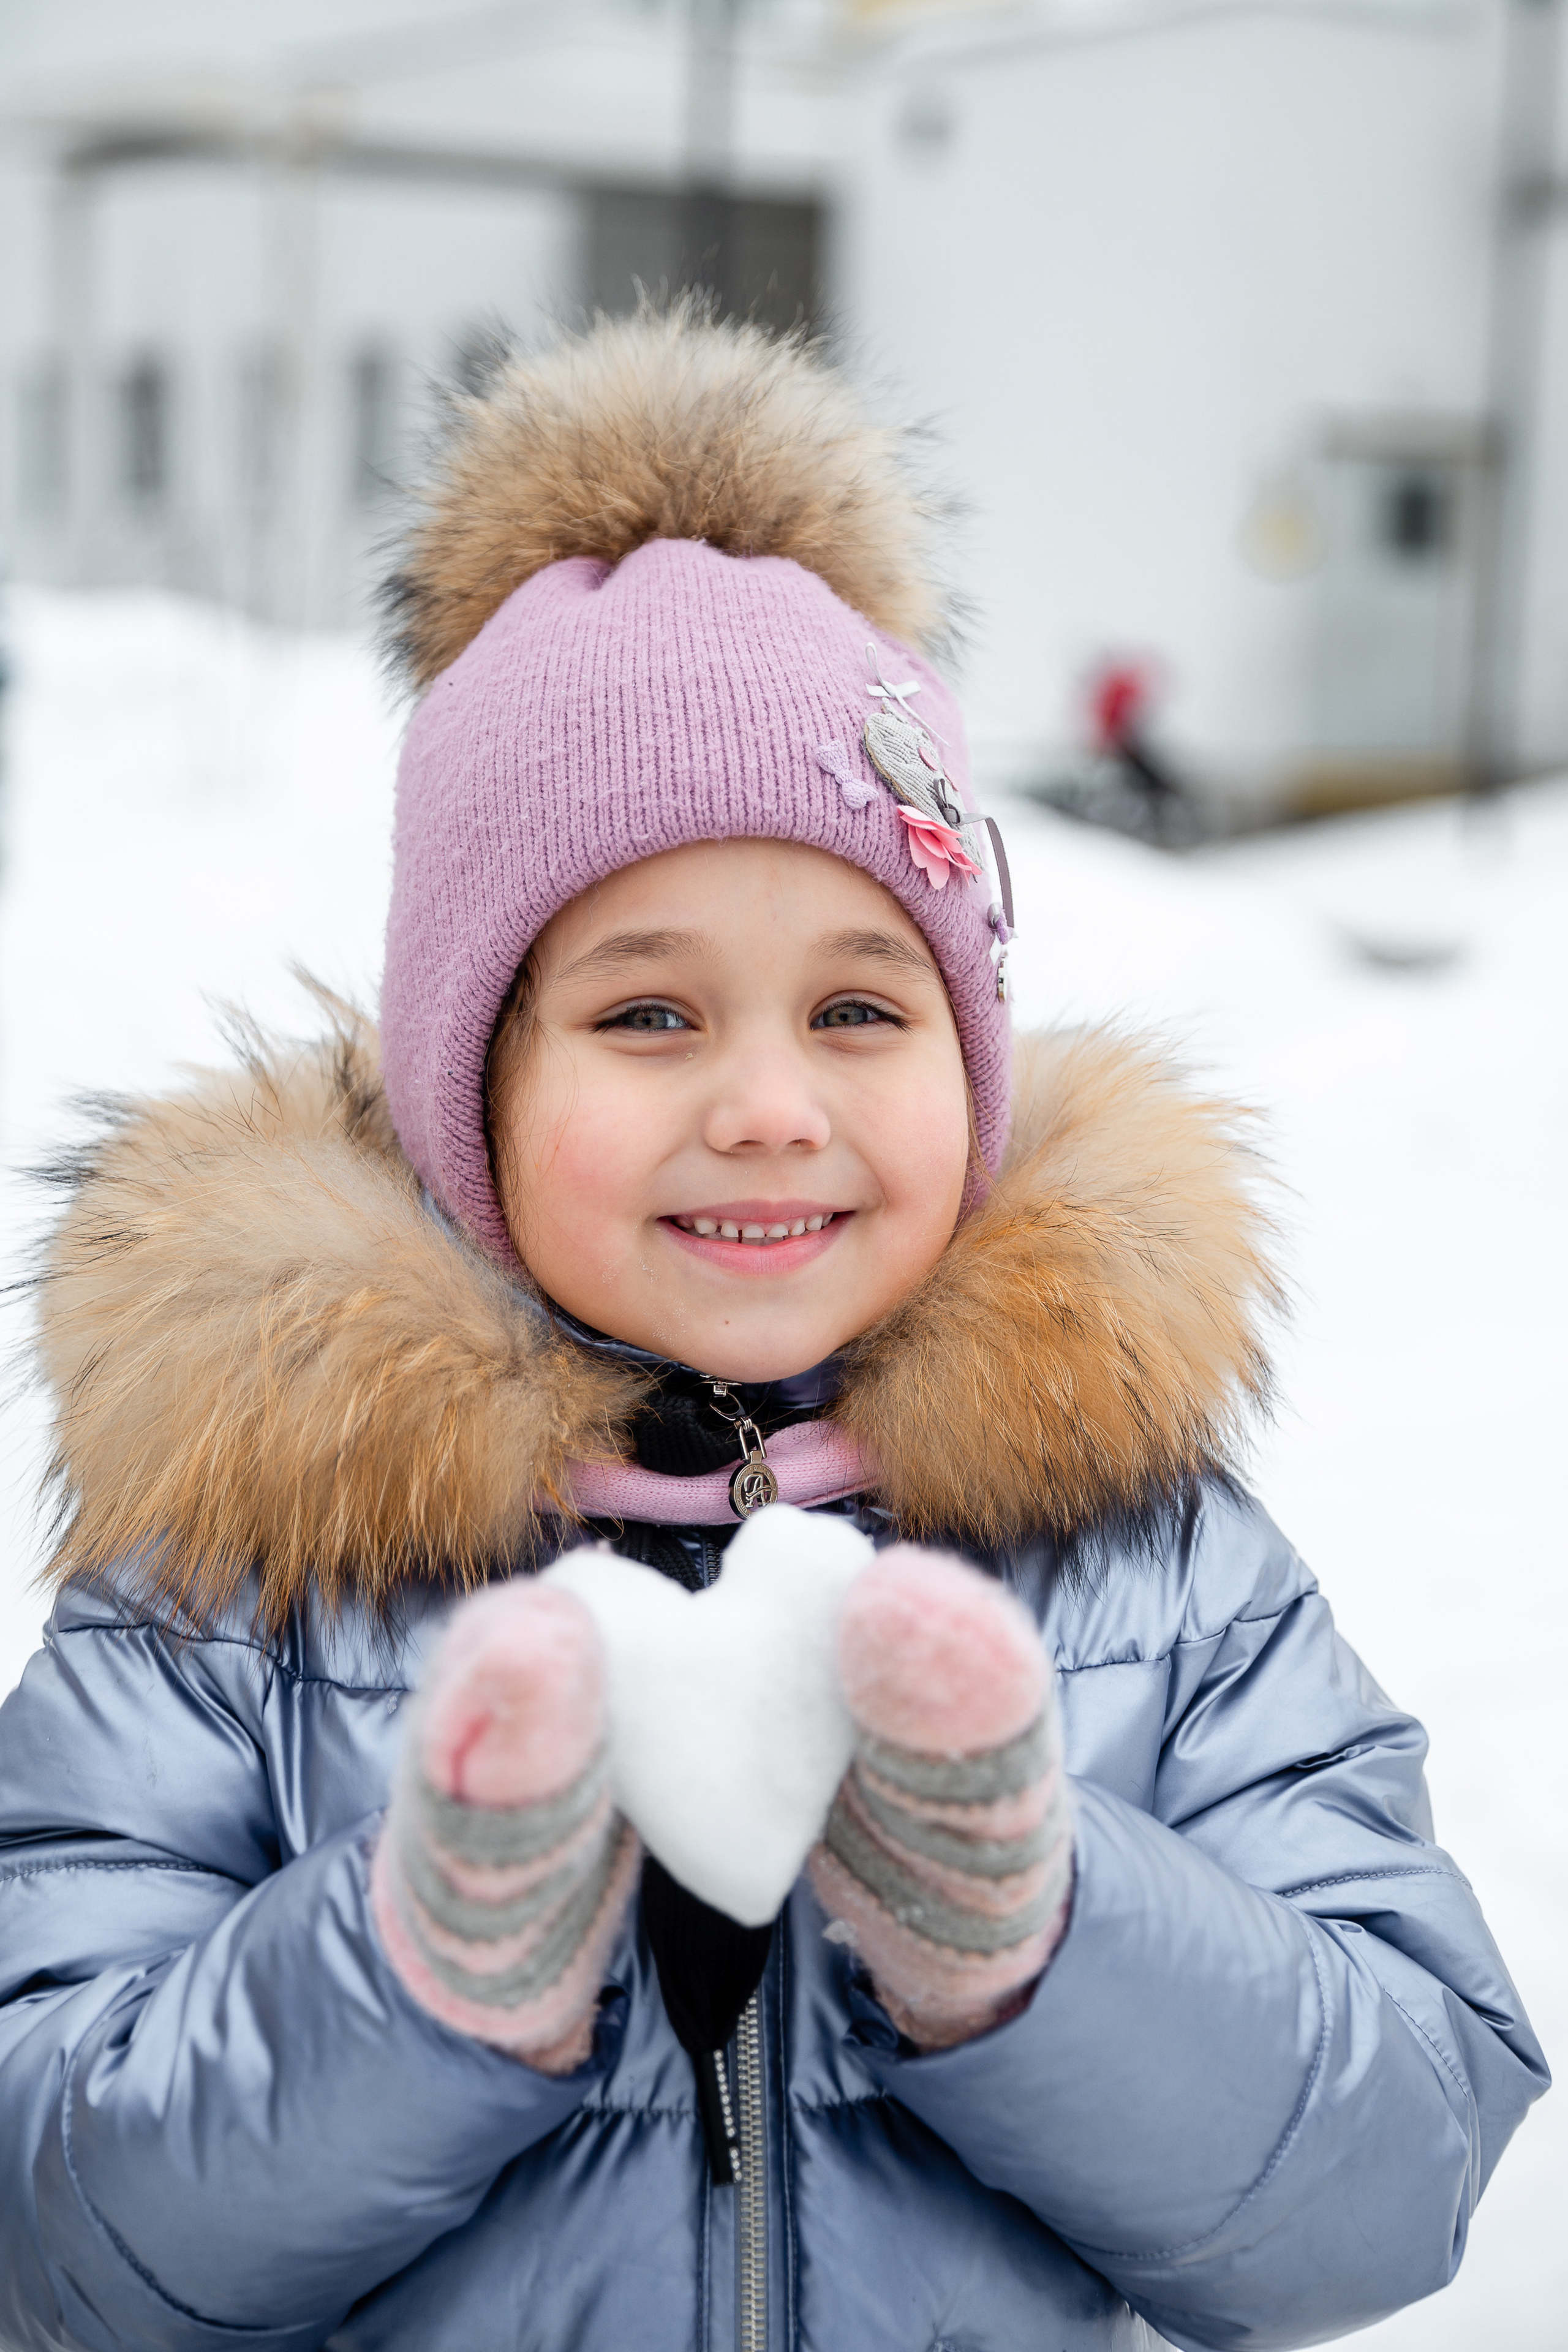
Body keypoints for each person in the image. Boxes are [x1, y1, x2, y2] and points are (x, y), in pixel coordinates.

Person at [0, 303, 1546, 2352]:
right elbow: (53, 2237)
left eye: (858, 1008)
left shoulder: (1151, 1566)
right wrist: (414, 1972)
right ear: (475, 1079)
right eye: (647, 1012)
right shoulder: (237, 1595)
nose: (767, 1104)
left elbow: (1399, 2172)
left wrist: (1040, 1941)